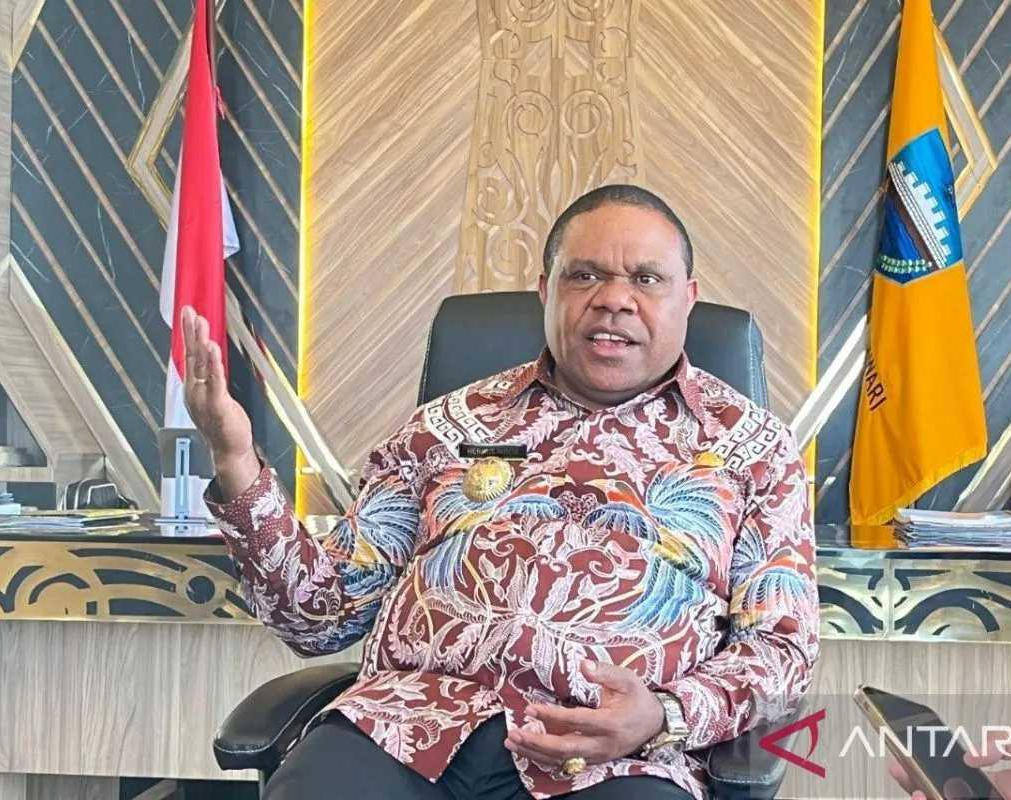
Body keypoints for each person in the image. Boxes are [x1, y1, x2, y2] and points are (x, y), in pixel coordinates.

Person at [182, 184, 819, 800]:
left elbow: (782, 650)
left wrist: (665, 714)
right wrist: (235, 461)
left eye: (646, 279)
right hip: (405, 730)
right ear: (545, 291)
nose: (613, 300)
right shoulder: (444, 427)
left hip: (618, 760)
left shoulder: (754, 449)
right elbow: (319, 616)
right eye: (585, 275)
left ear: (689, 298)